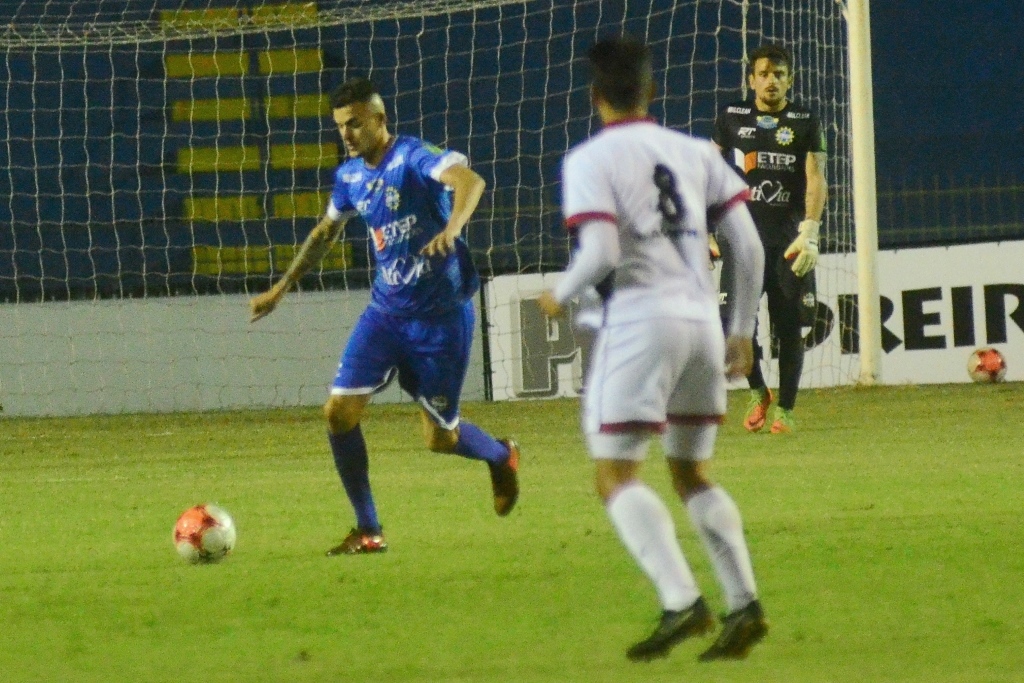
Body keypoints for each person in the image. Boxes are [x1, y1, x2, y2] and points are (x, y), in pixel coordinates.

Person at [537, 36, 768, 662]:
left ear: (594, 98)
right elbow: (747, 247)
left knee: (614, 473)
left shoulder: (590, 158)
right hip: (702, 324)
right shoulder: (697, 151)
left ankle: (681, 602)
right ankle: (743, 604)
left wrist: (560, 293)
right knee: (691, 471)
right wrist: (741, 328)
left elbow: (603, 254)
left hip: (642, 322)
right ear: (652, 91)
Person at [250, 77, 520, 555]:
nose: (347, 134)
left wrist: (453, 228)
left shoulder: (413, 157)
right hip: (386, 315)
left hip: (440, 319)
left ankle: (501, 456)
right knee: (337, 413)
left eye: (354, 123)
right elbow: (325, 232)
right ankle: (368, 528)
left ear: (379, 119)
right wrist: (283, 285)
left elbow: (470, 181)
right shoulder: (350, 177)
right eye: (339, 127)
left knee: (439, 438)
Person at [712, 43, 828, 434]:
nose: (771, 81)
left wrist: (809, 230)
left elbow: (816, 179)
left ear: (789, 80)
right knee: (734, 325)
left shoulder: (805, 120)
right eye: (764, 74)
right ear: (751, 80)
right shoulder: (731, 117)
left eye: (779, 74)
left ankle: (787, 410)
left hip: (787, 241)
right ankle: (759, 390)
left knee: (789, 326)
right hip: (742, 241)